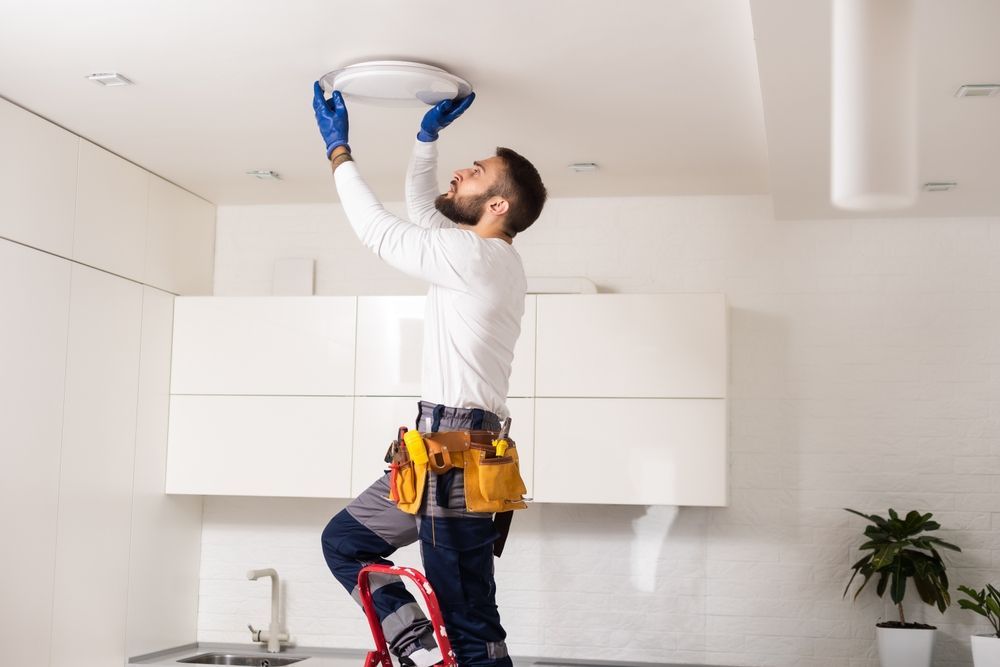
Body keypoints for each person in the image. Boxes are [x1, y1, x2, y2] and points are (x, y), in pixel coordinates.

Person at [312, 81, 547, 667]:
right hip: (431, 449)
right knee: (347, 541)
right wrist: (426, 140)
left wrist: (339, 152)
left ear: (498, 206)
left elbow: (382, 230)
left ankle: (438, 651)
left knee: (470, 620)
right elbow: (423, 212)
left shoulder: (477, 259)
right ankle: (417, 650)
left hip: (460, 455)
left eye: (475, 172)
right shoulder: (481, 256)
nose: (459, 175)